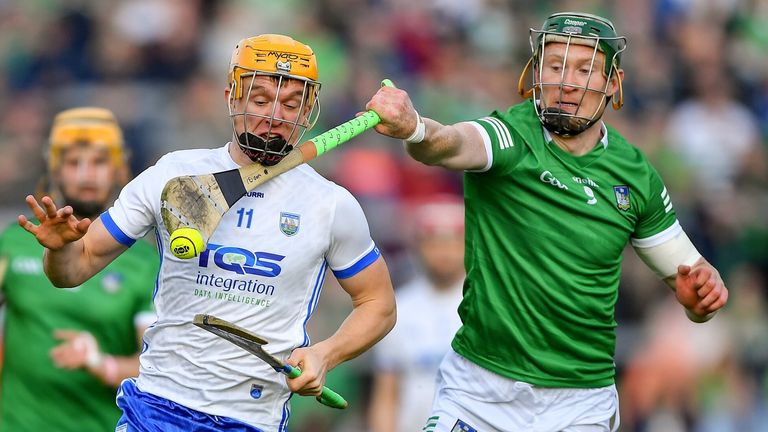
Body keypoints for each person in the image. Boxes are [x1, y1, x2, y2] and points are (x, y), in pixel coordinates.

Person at [365, 11, 729, 432]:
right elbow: (447, 143)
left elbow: (690, 277)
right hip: (478, 392)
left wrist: (700, 298)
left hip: (580, 403)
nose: (567, 81)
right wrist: (414, 128)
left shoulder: (636, 175)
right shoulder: (511, 137)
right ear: (535, 75)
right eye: (555, 66)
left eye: (585, 68)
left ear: (613, 83)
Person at [19, 34, 396, 432]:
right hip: (157, 407)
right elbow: (75, 268)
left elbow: (379, 304)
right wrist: (60, 250)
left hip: (252, 418)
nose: (276, 117)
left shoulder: (330, 204)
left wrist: (326, 354)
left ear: (307, 113)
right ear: (233, 98)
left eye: (290, 104)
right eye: (262, 99)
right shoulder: (173, 174)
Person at [0, 107, 158, 431]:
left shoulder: (145, 263)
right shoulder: (14, 243)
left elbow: (157, 367)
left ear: (119, 170)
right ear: (55, 170)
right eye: (74, 163)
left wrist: (104, 364)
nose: (87, 174)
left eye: (99, 162)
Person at [368, 195, 465, 432]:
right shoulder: (398, 307)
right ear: (418, 246)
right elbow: (386, 395)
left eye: (454, 243)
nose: (444, 253)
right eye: (434, 243)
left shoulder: (485, 306)